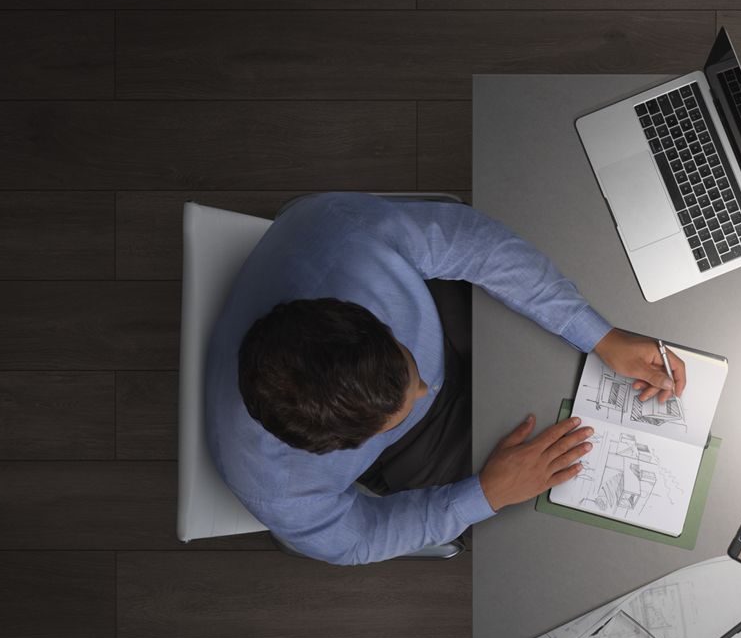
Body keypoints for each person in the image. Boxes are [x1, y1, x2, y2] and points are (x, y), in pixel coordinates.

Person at [205, 192, 685, 565]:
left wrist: (598, 335)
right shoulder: (280, 491)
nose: (425, 388)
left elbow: (479, 246)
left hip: (437, 312)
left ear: (358, 316)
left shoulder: (344, 233)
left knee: (562, 355)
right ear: (339, 445)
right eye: (398, 409)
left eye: (407, 366)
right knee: (552, 506)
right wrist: (484, 495)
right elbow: (357, 539)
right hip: (417, 447)